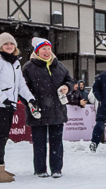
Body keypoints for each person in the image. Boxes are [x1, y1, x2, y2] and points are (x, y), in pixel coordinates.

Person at [0, 32, 37, 183]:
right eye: (5, 44)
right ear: (0, 46)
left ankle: (0, 166)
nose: (9, 46)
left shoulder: (14, 62)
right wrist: (4, 100)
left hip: (9, 104)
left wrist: (30, 98)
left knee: (4, 136)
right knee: (1, 136)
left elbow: (21, 85)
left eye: (11, 44)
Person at [22, 37, 74, 178]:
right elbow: (22, 88)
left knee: (56, 142)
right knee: (39, 143)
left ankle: (56, 168)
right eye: (43, 49)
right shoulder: (28, 67)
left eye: (49, 49)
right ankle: (40, 169)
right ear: (37, 51)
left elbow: (70, 80)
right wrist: (30, 103)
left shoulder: (59, 65)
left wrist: (66, 87)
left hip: (57, 110)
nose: (47, 51)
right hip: (38, 110)